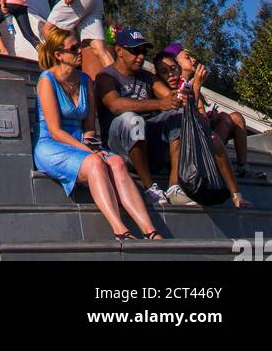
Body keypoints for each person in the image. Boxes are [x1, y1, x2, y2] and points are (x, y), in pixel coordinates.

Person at [34, 27, 162, 242]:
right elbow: (55, 131)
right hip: (53, 145)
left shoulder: (86, 81)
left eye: (80, 47)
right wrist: (89, 152)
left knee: (118, 163)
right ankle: (120, 230)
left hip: (81, 143)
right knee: (95, 163)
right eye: (74, 48)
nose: (80, 52)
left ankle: (150, 231)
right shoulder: (46, 80)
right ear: (59, 55)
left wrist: (92, 145)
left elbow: (89, 125)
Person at [152, 51, 252, 209]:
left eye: (173, 69)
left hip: (190, 141)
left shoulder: (187, 85)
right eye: (164, 71)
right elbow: (179, 106)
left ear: (179, 69)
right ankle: (173, 188)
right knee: (179, 122)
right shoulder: (157, 84)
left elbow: (203, 122)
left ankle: (236, 194)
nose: (170, 74)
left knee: (214, 139)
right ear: (158, 74)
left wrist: (195, 90)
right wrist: (196, 88)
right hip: (164, 144)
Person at [96, 28, 184, 206]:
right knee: (132, 119)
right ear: (119, 50)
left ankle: (174, 185)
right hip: (119, 146)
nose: (141, 56)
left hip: (148, 144)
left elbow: (169, 97)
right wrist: (160, 104)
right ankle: (149, 186)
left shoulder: (148, 77)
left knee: (178, 114)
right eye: (135, 51)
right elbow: (115, 105)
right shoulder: (105, 76)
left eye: (144, 51)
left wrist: (180, 96)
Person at [162, 41, 257, 182]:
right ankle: (211, 164)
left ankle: (243, 166)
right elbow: (189, 117)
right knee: (225, 118)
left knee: (236, 117)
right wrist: (196, 88)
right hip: (185, 141)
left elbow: (203, 119)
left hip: (200, 133)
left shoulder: (193, 83)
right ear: (175, 63)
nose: (194, 60)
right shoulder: (171, 84)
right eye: (187, 57)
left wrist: (209, 116)